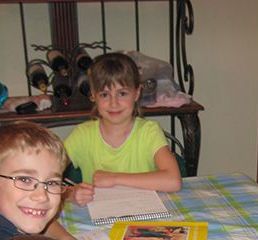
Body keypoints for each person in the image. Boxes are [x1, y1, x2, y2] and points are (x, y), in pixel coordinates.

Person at [63, 52, 182, 207]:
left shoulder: (150, 132)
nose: (114, 103)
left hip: (144, 212)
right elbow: (44, 176)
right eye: (105, 94)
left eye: (122, 93)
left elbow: (173, 180)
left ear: (137, 93)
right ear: (94, 95)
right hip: (99, 215)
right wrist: (71, 194)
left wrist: (114, 178)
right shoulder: (82, 135)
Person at [0, 121, 101, 240]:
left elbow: (38, 216)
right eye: (25, 180)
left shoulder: (1, 211)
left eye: (52, 183)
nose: (42, 196)